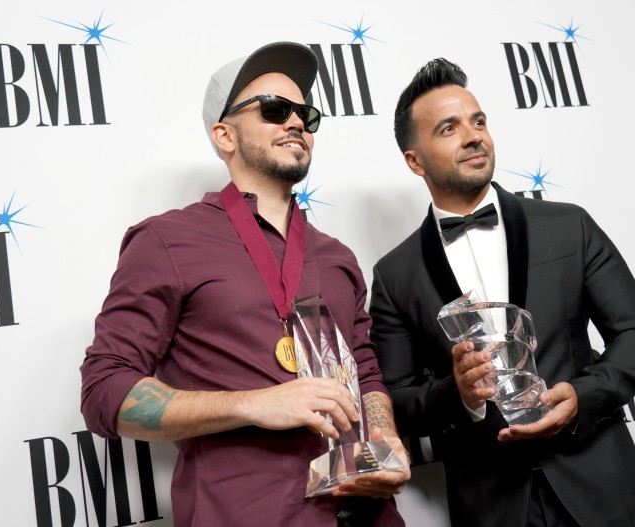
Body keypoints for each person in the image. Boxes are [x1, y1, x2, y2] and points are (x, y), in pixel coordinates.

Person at [80, 42, 408, 527]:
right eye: (275, 110)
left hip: (370, 514)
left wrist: (386, 439)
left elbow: (366, 370)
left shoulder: (337, 256)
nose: (296, 122)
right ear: (224, 136)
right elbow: (105, 392)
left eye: (305, 113)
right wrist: (256, 404)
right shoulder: (165, 240)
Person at [369, 58, 635, 526]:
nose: (473, 136)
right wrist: (458, 394)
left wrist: (580, 396)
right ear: (414, 160)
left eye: (479, 121)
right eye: (449, 128)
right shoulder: (393, 275)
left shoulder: (569, 226)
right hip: (491, 503)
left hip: (601, 487)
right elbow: (395, 398)